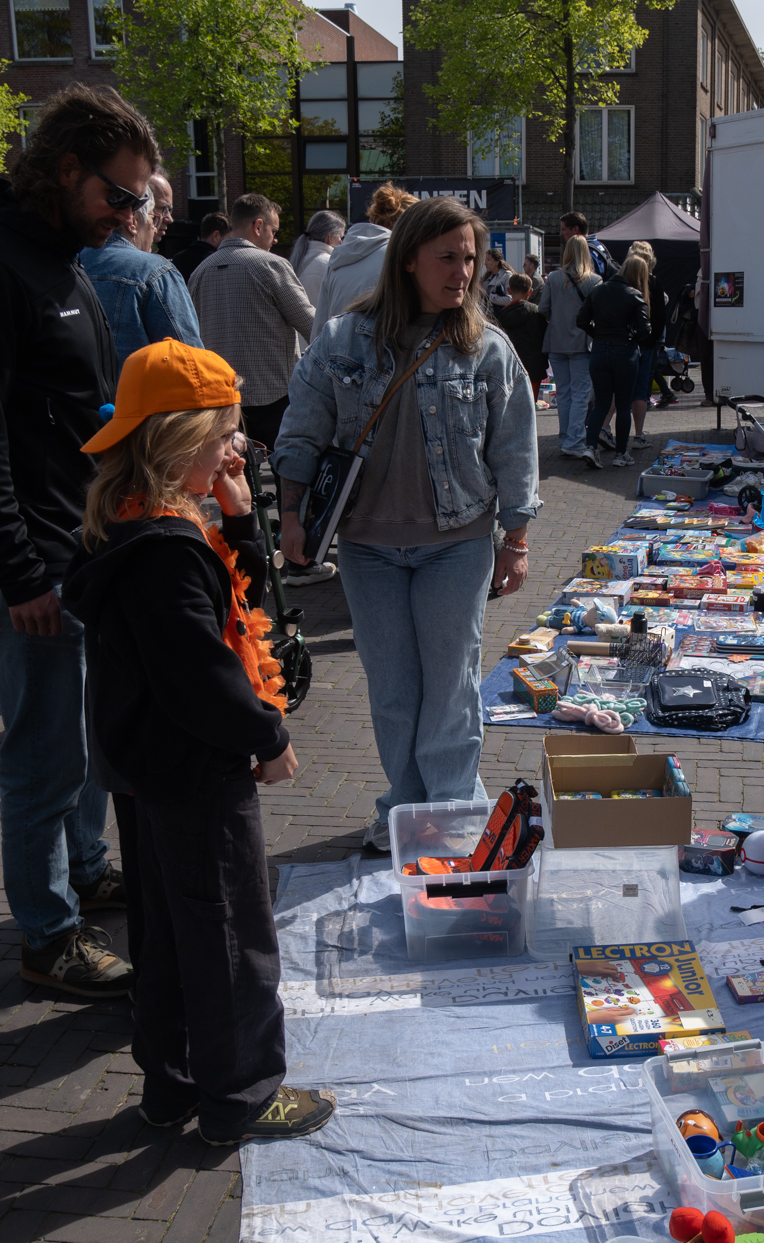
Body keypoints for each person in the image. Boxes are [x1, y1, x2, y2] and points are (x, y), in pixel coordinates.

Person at [63, 339, 334, 1144]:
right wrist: (267, 734)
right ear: (175, 439)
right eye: (221, 434)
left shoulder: (143, 523)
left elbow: (241, 599)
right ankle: (239, 1097)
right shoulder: (166, 552)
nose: (234, 446)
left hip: (151, 766)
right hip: (194, 769)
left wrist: (240, 512)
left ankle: (173, 1083)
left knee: (169, 929)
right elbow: (201, 676)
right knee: (228, 932)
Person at [0, 82, 158, 997]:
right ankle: (48, 933)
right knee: (42, 752)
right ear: (67, 170)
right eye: (120, 193)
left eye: (138, 198)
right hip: (35, 564)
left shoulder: (65, 263)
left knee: (87, 737)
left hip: (83, 548)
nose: (130, 214)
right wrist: (19, 568)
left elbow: (83, 412)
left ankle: (85, 868)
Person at [270, 195, 540, 853]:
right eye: (448, 257)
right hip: (368, 547)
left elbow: (515, 446)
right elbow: (301, 431)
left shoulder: (487, 347)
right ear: (409, 258)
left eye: (470, 258)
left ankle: (454, 814)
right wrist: (291, 516)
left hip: (458, 544)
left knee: (451, 688)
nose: (462, 272)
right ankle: (406, 810)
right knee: (393, 691)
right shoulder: (343, 339)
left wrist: (517, 538)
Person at [189, 193, 321, 582]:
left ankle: (248, 563)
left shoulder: (200, 271)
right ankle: (297, 560)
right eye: (274, 231)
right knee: (291, 475)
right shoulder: (270, 265)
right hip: (273, 393)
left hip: (223, 404)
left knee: (234, 487)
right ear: (258, 225)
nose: (276, 240)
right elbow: (310, 324)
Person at [79, 191, 203, 371]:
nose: (154, 229)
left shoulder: (69, 263)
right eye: (153, 219)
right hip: (135, 388)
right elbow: (190, 360)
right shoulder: (154, 270)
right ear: (133, 222)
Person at [576, 252, 652, 467]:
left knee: (601, 403)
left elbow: (581, 320)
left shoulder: (597, 290)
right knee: (623, 405)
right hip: (624, 351)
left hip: (600, 349)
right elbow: (645, 329)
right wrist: (631, 338)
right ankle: (621, 454)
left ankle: (591, 447)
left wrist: (598, 334)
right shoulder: (635, 296)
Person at [313, 183, 415, 342]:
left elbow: (319, 327)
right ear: (408, 226)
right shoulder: (397, 257)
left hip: (336, 352)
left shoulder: (338, 257)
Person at [541, 236, 598, 463]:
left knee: (563, 393)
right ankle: (574, 442)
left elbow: (543, 308)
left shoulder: (554, 278)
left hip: (556, 341)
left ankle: (565, 440)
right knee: (580, 394)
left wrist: (556, 320)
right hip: (582, 343)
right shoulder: (594, 281)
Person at [626, 243, 667, 449]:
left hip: (623, 343)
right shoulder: (654, 283)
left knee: (620, 390)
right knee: (641, 390)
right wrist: (651, 339)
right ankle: (638, 435)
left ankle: (609, 432)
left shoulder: (621, 282)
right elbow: (660, 317)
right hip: (647, 344)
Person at [494, 273, 548, 403]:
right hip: (534, 365)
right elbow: (545, 338)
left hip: (509, 367)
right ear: (530, 292)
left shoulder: (500, 316)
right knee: (530, 405)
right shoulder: (537, 312)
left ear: (509, 290)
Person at [293, 208, 345, 304]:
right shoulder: (330, 264)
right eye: (340, 237)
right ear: (330, 237)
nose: (341, 242)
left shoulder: (299, 259)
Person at [558, 211, 616, 278]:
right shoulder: (599, 245)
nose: (561, 234)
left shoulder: (581, 250)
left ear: (575, 229)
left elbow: (581, 279)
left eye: (563, 229)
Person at [173, 212, 228, 281]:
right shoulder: (218, 262)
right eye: (228, 238)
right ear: (216, 235)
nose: (229, 242)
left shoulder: (177, 258)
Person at [480, 247, 514, 313]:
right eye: (485, 260)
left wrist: (488, 296)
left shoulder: (506, 276)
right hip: (486, 315)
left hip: (500, 315)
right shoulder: (486, 278)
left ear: (497, 262)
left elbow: (509, 300)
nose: (485, 263)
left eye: (488, 260)